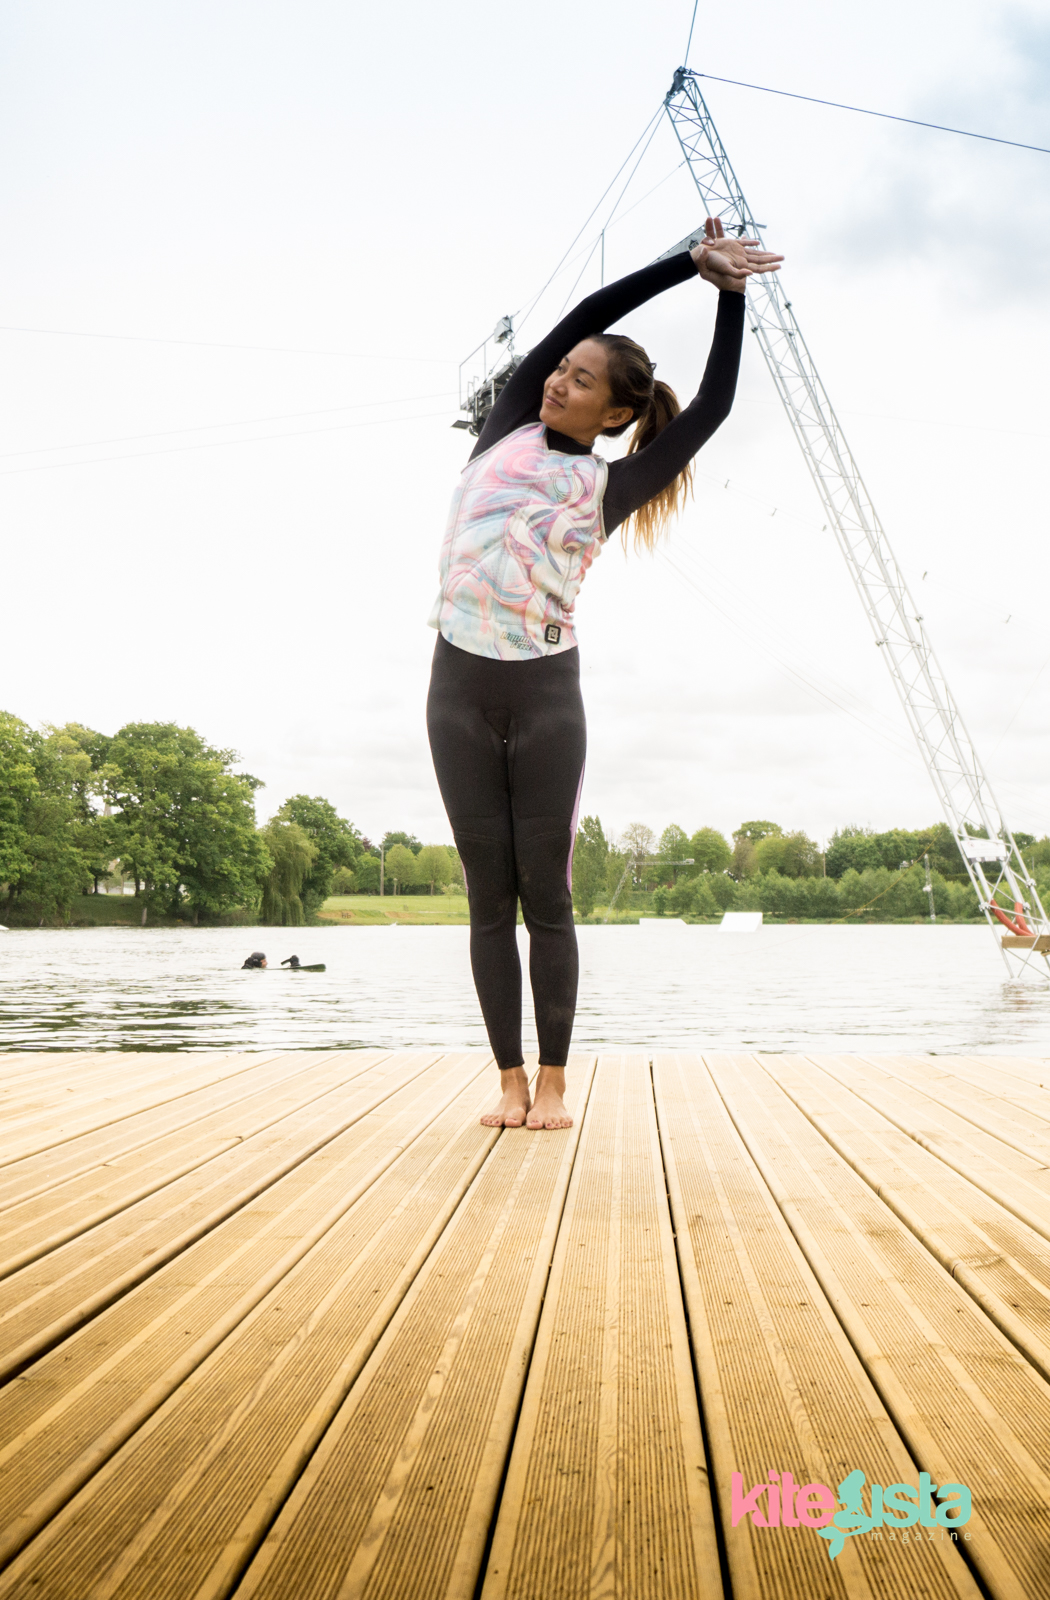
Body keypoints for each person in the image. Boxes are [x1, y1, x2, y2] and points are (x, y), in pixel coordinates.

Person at [426, 218, 782, 1130]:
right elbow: (590, 308)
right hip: (459, 691)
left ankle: (553, 1081)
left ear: (616, 414)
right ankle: (505, 1081)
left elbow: (710, 411)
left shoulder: (613, 486)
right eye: (560, 368)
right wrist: (680, 265)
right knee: (485, 894)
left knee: (546, 894)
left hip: (547, 698)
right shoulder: (504, 424)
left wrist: (729, 298)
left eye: (581, 380)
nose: (558, 380)